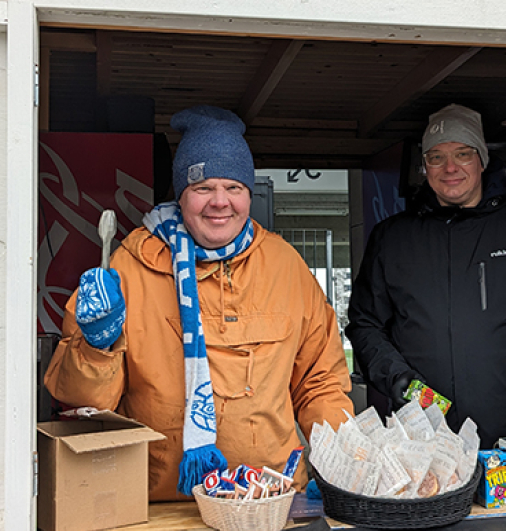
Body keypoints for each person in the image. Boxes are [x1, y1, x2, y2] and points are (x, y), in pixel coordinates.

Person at [45, 105, 353, 501]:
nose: (219, 202)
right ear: (182, 194)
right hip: (161, 504)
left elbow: (321, 383)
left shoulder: (285, 266)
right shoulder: (128, 266)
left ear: (248, 193)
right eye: (203, 188)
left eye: (234, 188)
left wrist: (342, 466)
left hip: (271, 500)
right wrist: (95, 347)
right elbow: (80, 408)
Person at [346, 103, 506, 449]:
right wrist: (401, 383)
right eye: (436, 157)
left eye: (463, 154)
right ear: (424, 166)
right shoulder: (392, 238)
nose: (450, 168)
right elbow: (365, 324)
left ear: (482, 160)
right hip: (422, 443)